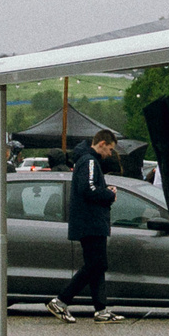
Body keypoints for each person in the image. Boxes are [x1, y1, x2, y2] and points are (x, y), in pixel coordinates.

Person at [48, 129, 121, 322]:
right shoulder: (89, 161)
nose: (110, 154)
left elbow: (89, 187)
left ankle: (101, 308)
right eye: (110, 149)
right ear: (102, 143)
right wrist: (109, 194)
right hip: (90, 222)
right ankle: (61, 300)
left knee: (96, 266)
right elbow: (88, 189)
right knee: (97, 264)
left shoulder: (87, 160)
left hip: (90, 221)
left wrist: (104, 190)